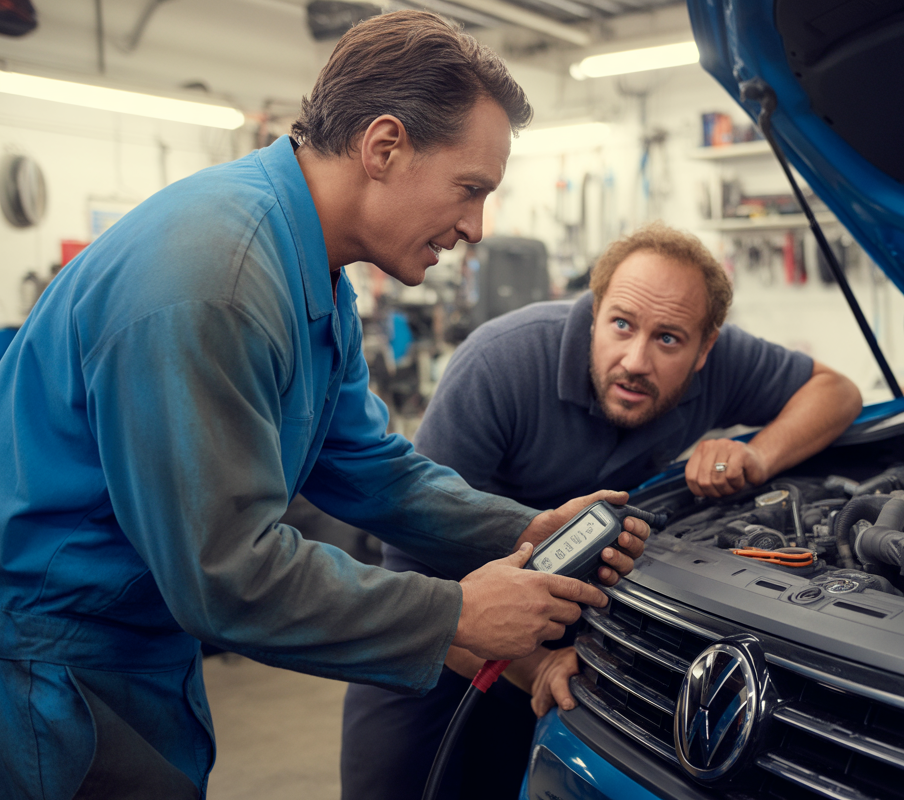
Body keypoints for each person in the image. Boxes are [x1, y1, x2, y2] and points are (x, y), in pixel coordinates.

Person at [0, 12, 649, 799]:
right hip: (48, 670)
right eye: (470, 189)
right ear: (385, 147)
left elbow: (371, 468)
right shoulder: (219, 281)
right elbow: (226, 574)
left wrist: (525, 530)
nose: (477, 227)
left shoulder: (308, 266)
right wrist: (453, 615)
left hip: (129, 642)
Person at [341, 222, 863, 799]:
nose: (636, 360)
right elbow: (416, 563)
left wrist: (756, 454)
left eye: (668, 340)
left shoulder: (721, 362)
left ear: (704, 348)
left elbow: (836, 392)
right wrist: (534, 666)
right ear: (594, 312)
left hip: (571, 650)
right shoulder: (499, 366)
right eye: (621, 325)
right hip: (435, 650)